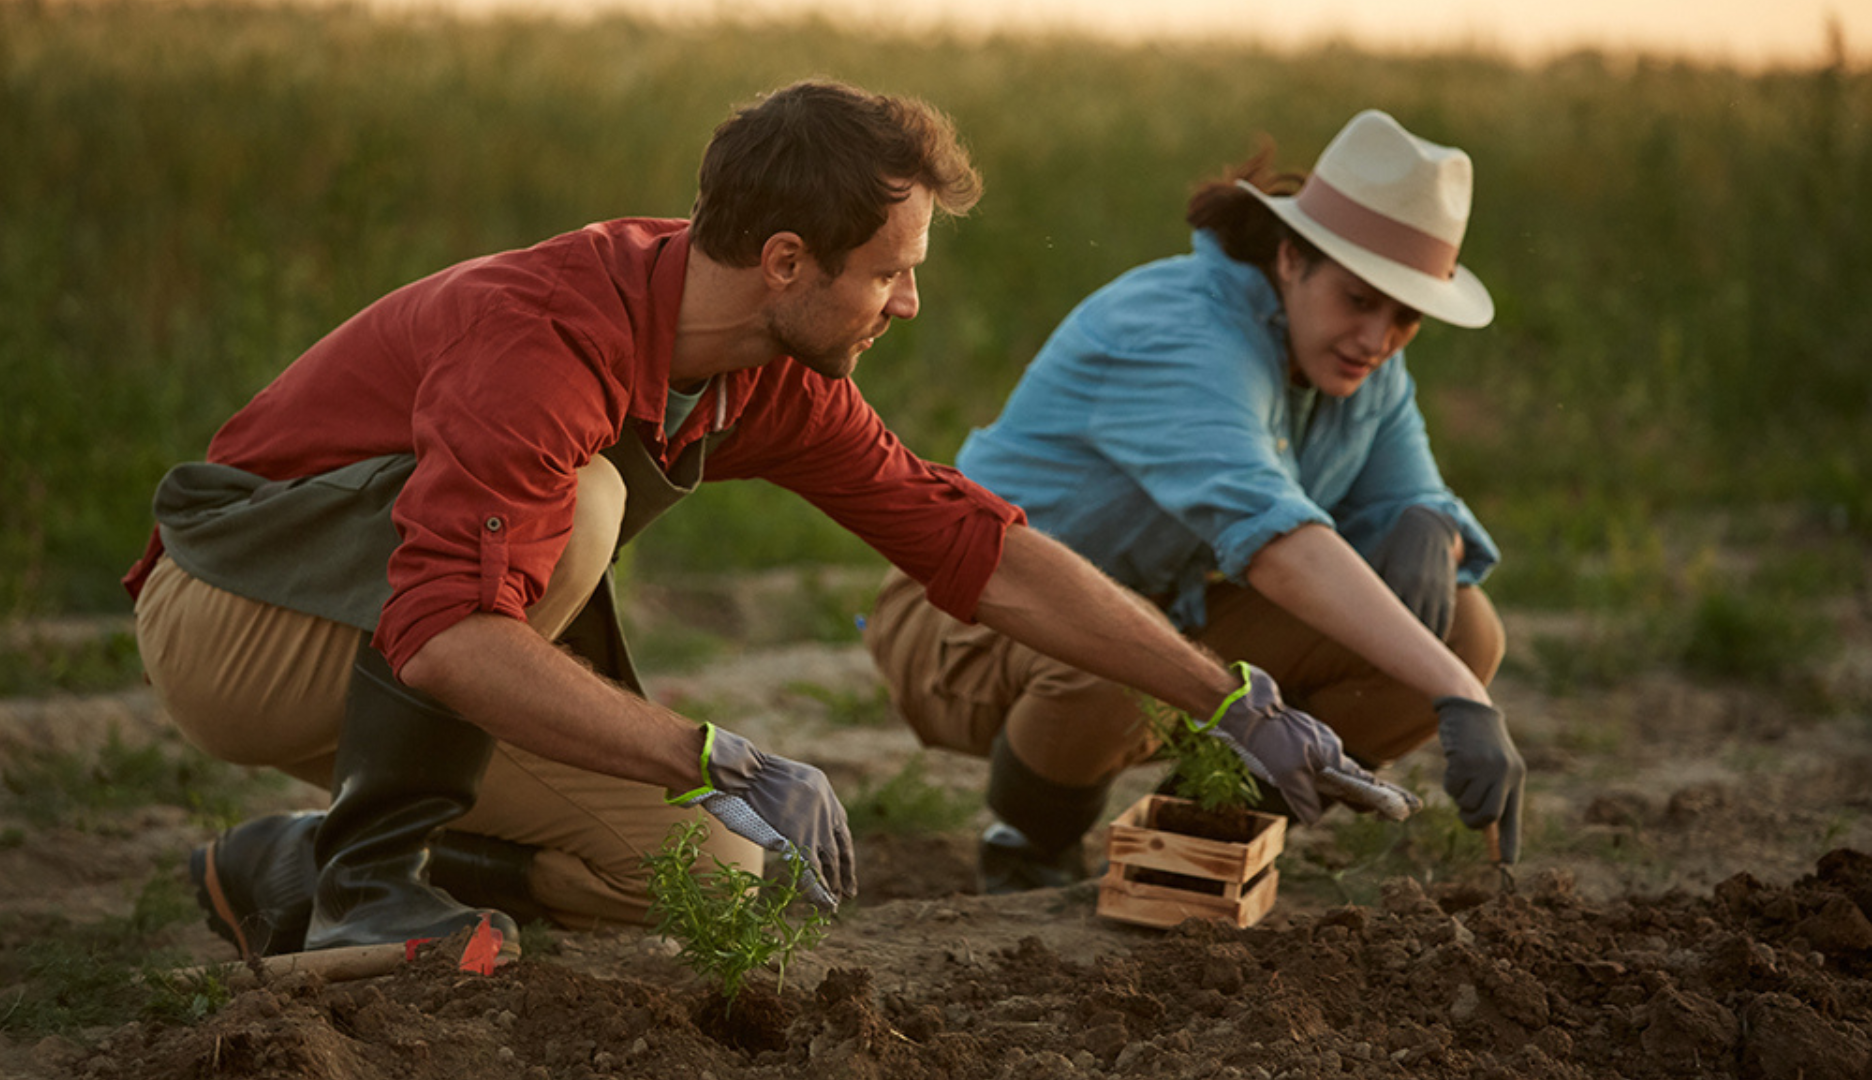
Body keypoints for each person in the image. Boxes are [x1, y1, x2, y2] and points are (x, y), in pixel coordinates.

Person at [125, 80, 1408, 963]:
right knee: (581, 508)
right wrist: (717, 753)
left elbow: (975, 546)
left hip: (397, 632)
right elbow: (453, 638)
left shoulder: (766, 374)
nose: (907, 305)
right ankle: (366, 897)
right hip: (233, 611)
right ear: (788, 262)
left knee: (727, 878)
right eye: (893, 272)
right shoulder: (541, 338)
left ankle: (296, 867)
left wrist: (1227, 697)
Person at [865, 109, 1525, 894]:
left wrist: (1429, 526)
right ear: (1292, 258)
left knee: (1460, 622)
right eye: (1359, 299)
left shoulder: (1360, 365)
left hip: (1164, 618)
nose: (1377, 338)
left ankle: (1190, 847)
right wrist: (1461, 693)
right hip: (973, 610)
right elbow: (1278, 548)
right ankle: (1029, 845)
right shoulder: (1182, 332)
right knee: (1117, 664)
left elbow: (1413, 495)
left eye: (1405, 316)